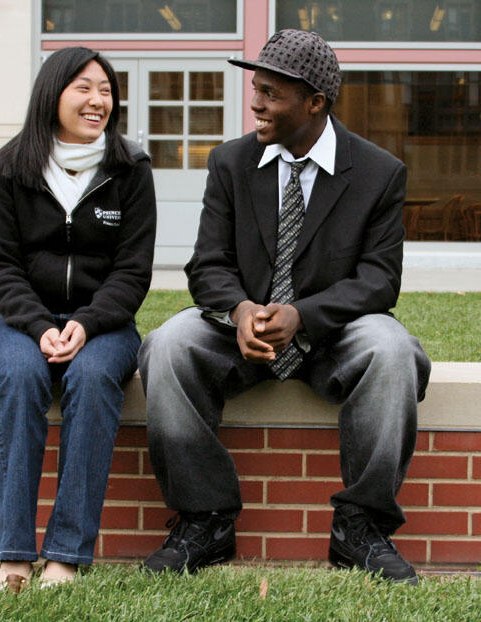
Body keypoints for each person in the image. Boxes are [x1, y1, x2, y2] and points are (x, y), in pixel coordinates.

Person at [138, 29, 430, 584]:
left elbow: (379, 279)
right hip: (240, 333)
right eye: (256, 89)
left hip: (332, 335)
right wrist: (241, 310)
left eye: (271, 93)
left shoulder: (378, 173)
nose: (256, 103)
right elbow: (207, 264)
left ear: (315, 102)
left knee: (393, 350)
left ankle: (360, 528)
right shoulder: (229, 163)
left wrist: (305, 315)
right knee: (168, 344)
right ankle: (205, 520)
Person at [0, 46, 156, 593]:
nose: (97, 99)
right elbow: (0, 265)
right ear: (52, 93)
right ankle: (13, 555)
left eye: (105, 90)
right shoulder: (11, 167)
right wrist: (38, 326)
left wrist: (87, 322)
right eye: (83, 87)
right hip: (23, 322)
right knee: (20, 376)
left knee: (93, 377)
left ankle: (66, 554)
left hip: (104, 325)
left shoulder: (130, 168)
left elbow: (132, 271)